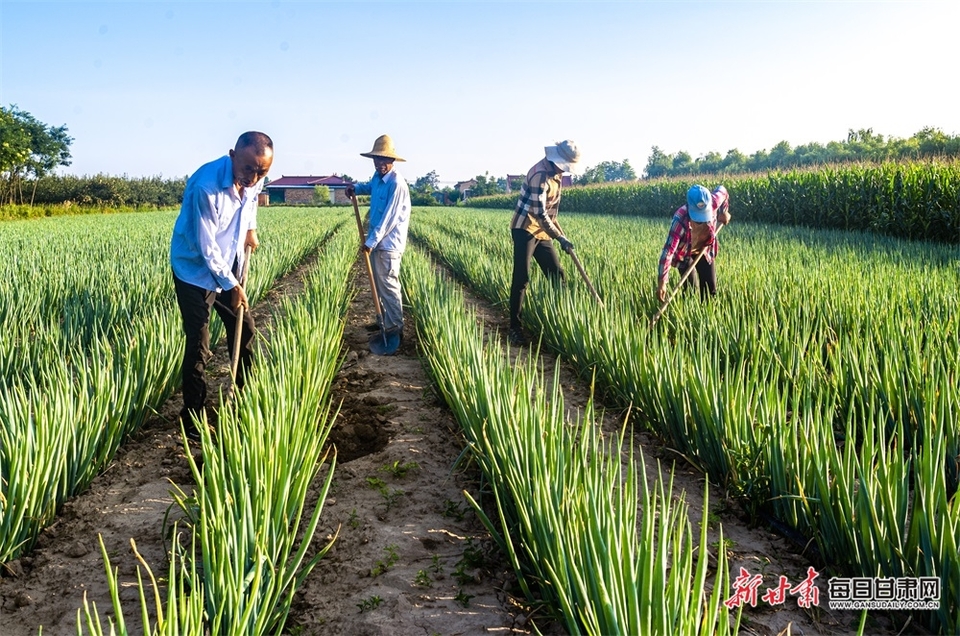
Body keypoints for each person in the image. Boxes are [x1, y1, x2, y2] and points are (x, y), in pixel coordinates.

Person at [170, 131, 273, 439]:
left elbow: (250, 203)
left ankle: (244, 397)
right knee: (199, 346)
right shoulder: (206, 187)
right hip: (194, 270)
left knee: (245, 330)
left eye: (262, 172)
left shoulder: (256, 174)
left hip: (229, 260)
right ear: (232, 155)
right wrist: (233, 285)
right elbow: (206, 248)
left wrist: (250, 229)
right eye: (249, 170)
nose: (255, 177)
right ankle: (193, 419)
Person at [508, 139, 581, 345]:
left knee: (557, 275)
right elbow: (540, 213)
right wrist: (559, 237)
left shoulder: (556, 175)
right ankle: (514, 328)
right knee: (521, 278)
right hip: (525, 228)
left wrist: (563, 237)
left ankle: (564, 321)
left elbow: (552, 214)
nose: (565, 171)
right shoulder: (540, 174)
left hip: (543, 230)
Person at [344, 134, 411, 348]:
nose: (380, 164)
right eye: (377, 159)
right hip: (378, 243)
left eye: (384, 160)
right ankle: (383, 320)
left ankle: (395, 328)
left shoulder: (396, 184)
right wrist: (355, 188)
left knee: (389, 284)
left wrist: (370, 241)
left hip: (389, 244)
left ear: (391, 161)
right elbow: (369, 187)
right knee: (380, 285)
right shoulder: (378, 178)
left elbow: (389, 219)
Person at [656, 184, 731, 303]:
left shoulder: (714, 201)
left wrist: (724, 212)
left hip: (704, 248)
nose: (700, 221)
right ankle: (688, 313)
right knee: (691, 287)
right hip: (684, 252)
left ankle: (707, 315)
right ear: (689, 207)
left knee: (710, 287)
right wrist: (662, 282)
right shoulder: (680, 219)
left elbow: (723, 191)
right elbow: (668, 252)